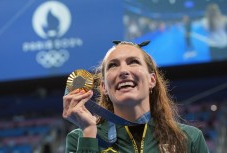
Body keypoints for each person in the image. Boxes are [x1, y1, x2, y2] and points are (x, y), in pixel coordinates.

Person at [63, 40, 209, 153]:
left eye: (133, 62)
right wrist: (89, 133)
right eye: (113, 65)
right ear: (104, 87)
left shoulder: (188, 138)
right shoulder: (79, 138)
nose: (123, 71)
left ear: (152, 80)